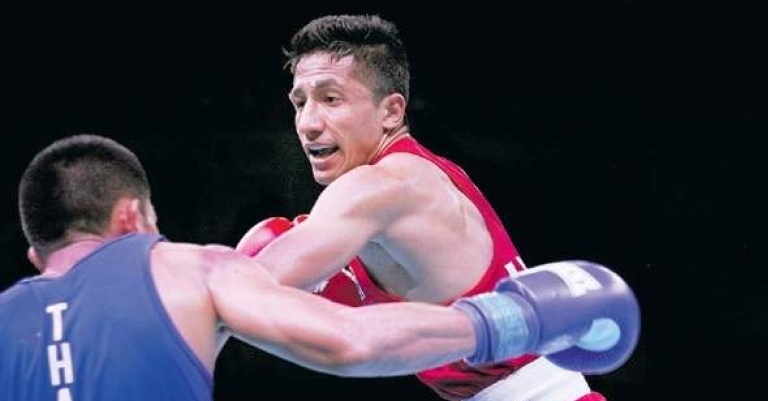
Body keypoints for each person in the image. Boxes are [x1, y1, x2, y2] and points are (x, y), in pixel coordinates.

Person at [0, 133, 639, 401]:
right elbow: (349, 343)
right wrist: (512, 319)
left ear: (36, 257)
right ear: (132, 217)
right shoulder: (184, 270)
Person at [241, 14, 638, 401]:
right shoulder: (423, 172)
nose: (308, 123)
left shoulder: (379, 185)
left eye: (331, 99)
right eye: (300, 102)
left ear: (391, 111)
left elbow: (243, 291)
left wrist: (209, 278)